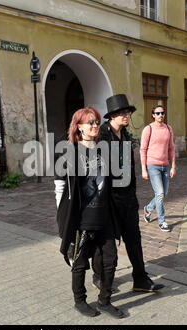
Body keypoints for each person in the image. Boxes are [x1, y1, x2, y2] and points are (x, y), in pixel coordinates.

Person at [54, 107, 125, 318]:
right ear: (79, 127)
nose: (95, 125)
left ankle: (104, 301)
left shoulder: (104, 150)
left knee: (110, 259)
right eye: (90, 122)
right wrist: (63, 219)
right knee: (79, 262)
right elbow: (60, 187)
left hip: (104, 216)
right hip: (81, 218)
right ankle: (80, 300)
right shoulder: (68, 152)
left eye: (96, 122)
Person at [92, 94, 164, 292]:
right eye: (123, 113)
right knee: (106, 241)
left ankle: (140, 278)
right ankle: (99, 275)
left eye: (128, 112)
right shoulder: (101, 136)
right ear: (112, 115)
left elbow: (128, 169)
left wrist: (132, 195)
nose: (127, 116)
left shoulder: (125, 135)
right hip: (107, 199)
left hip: (127, 198)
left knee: (134, 238)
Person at [140, 104, 176, 232]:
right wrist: (144, 169)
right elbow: (142, 149)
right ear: (153, 115)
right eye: (158, 113)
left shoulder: (168, 128)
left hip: (165, 166)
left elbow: (171, 148)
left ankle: (148, 209)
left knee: (163, 193)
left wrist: (173, 166)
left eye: (163, 112)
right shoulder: (148, 129)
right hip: (152, 165)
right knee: (160, 193)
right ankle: (162, 221)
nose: (161, 115)